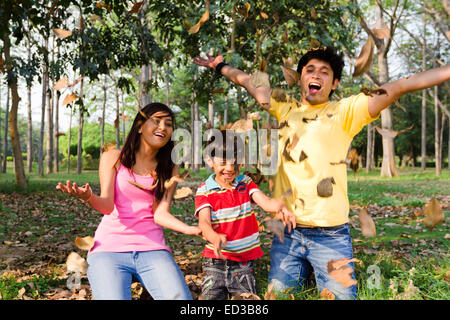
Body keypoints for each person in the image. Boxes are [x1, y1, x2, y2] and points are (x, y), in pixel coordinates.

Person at [194, 47, 450, 299]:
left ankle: (316, 268)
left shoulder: (346, 111)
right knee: (279, 296)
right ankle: (306, 269)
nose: (315, 75)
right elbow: (249, 82)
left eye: (324, 72)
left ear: (335, 82)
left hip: (331, 234)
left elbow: (399, 86)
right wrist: (219, 66)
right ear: (301, 77)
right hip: (288, 232)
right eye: (310, 70)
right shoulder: (285, 108)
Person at [56, 102, 201, 300]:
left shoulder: (170, 168)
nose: (163, 127)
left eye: (168, 124)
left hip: (152, 248)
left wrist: (190, 229)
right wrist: (88, 197)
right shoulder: (113, 157)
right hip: (109, 249)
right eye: (156, 121)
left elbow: (160, 214)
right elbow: (107, 206)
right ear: (140, 126)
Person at [195, 130, 296, 300]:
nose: (230, 168)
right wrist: (212, 235)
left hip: (243, 262)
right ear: (209, 160)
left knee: (248, 300)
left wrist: (281, 206)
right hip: (215, 261)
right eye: (224, 162)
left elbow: (266, 202)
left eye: (235, 163)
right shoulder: (204, 191)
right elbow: (204, 222)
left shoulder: (245, 183)